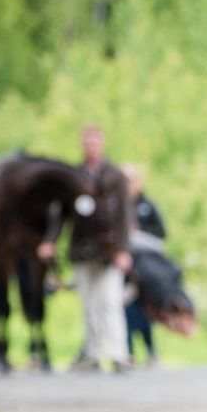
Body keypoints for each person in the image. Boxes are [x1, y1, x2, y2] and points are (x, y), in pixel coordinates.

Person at [58, 125, 132, 373]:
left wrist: (123, 250)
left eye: (95, 141)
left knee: (110, 301)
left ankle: (118, 353)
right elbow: (62, 213)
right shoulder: (75, 176)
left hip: (108, 249)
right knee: (89, 304)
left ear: (102, 143)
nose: (91, 146)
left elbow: (124, 214)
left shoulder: (114, 176)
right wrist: (51, 241)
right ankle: (94, 353)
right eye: (87, 141)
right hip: (81, 248)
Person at [121, 163, 165, 366]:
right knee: (125, 309)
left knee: (145, 310)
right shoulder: (117, 207)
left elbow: (161, 234)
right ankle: (128, 351)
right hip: (124, 268)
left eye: (131, 180)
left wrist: (139, 232)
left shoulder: (147, 205)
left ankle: (150, 350)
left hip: (145, 266)